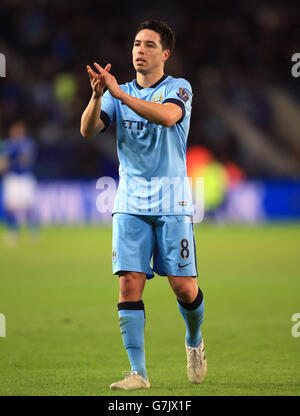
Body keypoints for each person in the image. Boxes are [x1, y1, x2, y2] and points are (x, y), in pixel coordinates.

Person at [80, 20, 207, 390]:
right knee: (129, 285)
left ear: (164, 54)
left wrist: (120, 96)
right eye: (136, 43)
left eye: (149, 45)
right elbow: (88, 130)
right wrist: (97, 96)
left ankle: (194, 339)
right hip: (130, 201)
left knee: (184, 288)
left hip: (173, 202)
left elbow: (168, 117)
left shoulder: (178, 88)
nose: (140, 50)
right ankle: (139, 374)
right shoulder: (117, 94)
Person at [0, 120, 38, 246]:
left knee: (29, 207)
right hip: (13, 178)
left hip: (25, 177)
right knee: (10, 207)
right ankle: (13, 232)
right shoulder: (8, 144)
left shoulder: (27, 143)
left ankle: (33, 231)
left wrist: (10, 160)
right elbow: (3, 163)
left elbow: (26, 159)